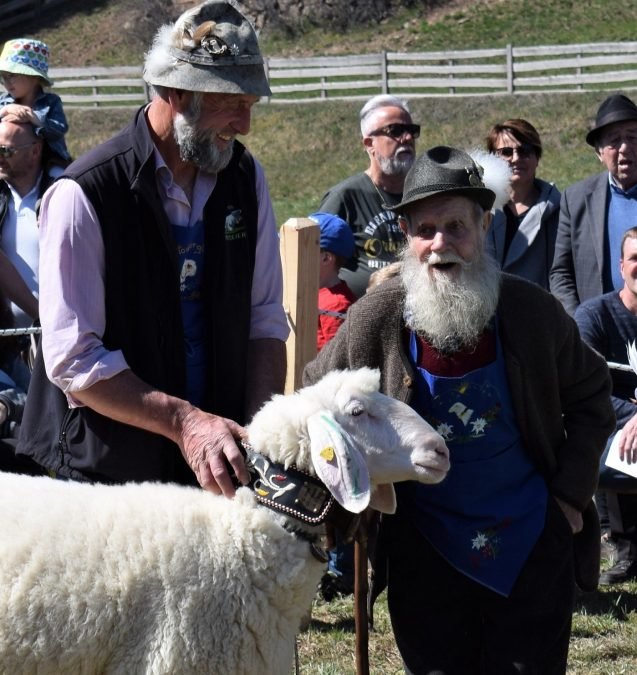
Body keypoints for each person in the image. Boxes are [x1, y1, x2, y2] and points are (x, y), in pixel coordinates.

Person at [304, 145, 614, 673]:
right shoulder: (376, 318)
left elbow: (592, 396)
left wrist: (567, 497)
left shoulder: (531, 311)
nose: (440, 245)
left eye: (456, 227)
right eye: (425, 229)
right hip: (424, 549)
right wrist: (352, 492)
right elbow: (317, 401)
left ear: (485, 225)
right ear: (406, 235)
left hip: (530, 543)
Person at [16, 0, 289, 495]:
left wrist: (262, 436)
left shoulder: (245, 179)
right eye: (233, 104)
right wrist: (185, 423)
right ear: (179, 94)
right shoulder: (84, 194)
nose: (244, 126)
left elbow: (265, 317)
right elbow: (74, 360)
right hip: (108, 476)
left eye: (250, 106)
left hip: (217, 462)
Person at [575, 226, 637, 584]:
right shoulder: (594, 316)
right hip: (607, 428)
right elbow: (586, 388)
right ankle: (621, 552)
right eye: (635, 259)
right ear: (620, 265)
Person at [318, 94, 419, 297]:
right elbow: (314, 262)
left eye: (411, 131)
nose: (407, 138)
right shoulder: (345, 197)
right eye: (396, 131)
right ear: (369, 143)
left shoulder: (423, 194)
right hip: (358, 317)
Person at [551, 93, 637, 315]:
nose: (625, 148)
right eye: (614, 140)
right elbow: (561, 274)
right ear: (599, 152)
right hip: (600, 333)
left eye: (633, 137)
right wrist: (581, 323)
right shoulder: (576, 199)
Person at [485, 118, 560, 289]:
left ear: (537, 157)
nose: (516, 158)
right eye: (506, 152)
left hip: (538, 310)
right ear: (492, 158)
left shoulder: (560, 210)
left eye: (525, 151)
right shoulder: (478, 209)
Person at [0, 119, 58, 327]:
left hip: (57, 338)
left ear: (35, 151)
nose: (0, 157)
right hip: (8, 342)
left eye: (6, 150)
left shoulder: (61, 193)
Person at [0, 38, 71, 167]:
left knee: (57, 177)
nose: (6, 82)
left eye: (12, 76)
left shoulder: (51, 102)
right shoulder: (3, 103)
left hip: (49, 161)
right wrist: (4, 111)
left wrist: (33, 118)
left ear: (34, 77)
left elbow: (59, 129)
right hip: (8, 161)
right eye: (3, 77)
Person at [309, 211, 357, 352]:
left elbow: (336, 362)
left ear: (326, 258)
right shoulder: (311, 293)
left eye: (303, 249)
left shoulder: (337, 305)